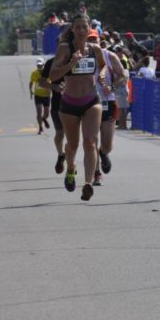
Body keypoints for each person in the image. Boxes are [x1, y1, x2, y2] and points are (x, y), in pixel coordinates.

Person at [49, 13, 106, 201]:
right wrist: (71, 63)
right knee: (72, 144)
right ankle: (71, 168)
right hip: (70, 103)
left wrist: (103, 76)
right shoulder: (65, 48)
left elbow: (103, 65)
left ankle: (88, 183)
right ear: (72, 29)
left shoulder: (94, 49)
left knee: (90, 142)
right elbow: (53, 75)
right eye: (78, 27)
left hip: (91, 101)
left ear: (89, 28)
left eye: (85, 27)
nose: (81, 31)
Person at [95, 37, 127, 185]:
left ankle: (103, 153)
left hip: (108, 101)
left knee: (107, 144)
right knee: (91, 140)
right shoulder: (79, 55)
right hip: (88, 102)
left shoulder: (109, 56)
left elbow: (122, 76)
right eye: (89, 39)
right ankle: (96, 173)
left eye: (94, 39)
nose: (92, 42)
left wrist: (112, 87)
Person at [39, 55, 66, 173]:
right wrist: (54, 86)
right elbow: (42, 82)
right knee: (59, 134)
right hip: (57, 104)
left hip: (75, 104)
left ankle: (71, 164)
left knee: (72, 137)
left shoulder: (77, 60)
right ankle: (61, 155)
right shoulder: (51, 62)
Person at [29, 56, 51, 134]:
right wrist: (31, 91)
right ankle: (40, 127)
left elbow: (51, 82)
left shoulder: (48, 72)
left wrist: (50, 89)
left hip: (46, 95)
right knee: (38, 112)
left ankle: (44, 119)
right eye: (38, 65)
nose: (39, 67)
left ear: (43, 65)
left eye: (41, 65)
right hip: (38, 95)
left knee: (46, 113)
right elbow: (31, 83)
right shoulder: (34, 73)